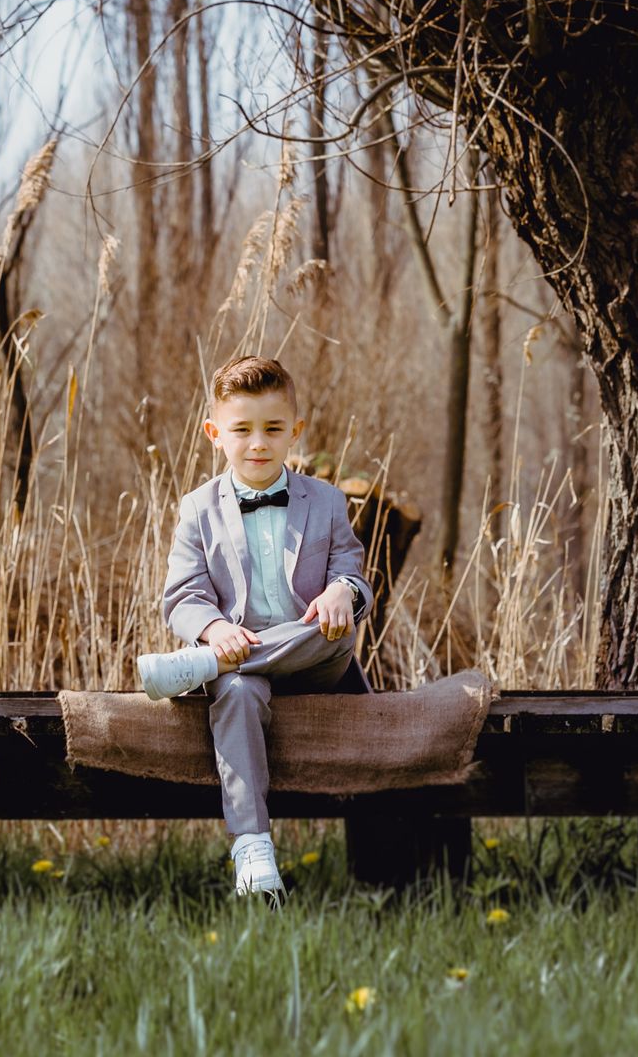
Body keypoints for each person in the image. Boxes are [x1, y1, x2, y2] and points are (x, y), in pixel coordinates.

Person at [138, 355, 375, 900]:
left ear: (296, 430)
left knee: (321, 626)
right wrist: (214, 630)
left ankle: (203, 668)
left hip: (318, 653)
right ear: (214, 433)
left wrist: (343, 591)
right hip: (239, 657)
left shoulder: (328, 500)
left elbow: (353, 576)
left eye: (273, 429)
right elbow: (182, 597)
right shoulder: (197, 510)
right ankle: (253, 849)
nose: (258, 443)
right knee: (238, 689)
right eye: (242, 429)